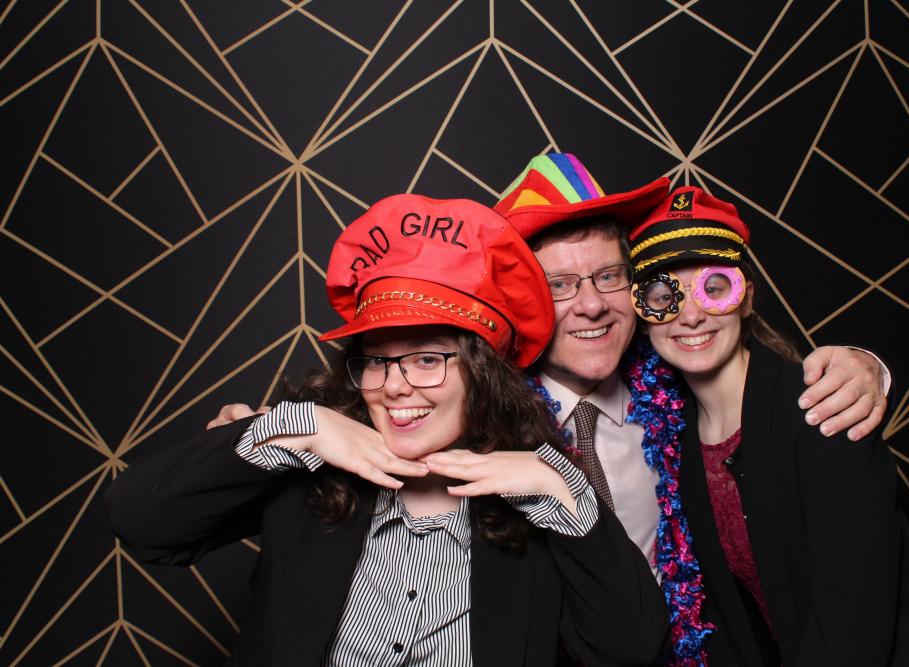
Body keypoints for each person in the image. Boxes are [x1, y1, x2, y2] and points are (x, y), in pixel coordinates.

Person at [107, 194, 668, 666]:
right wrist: (293, 426)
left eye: (426, 359)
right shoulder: (309, 467)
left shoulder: (535, 497)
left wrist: (562, 492)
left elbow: (629, 650)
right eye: (377, 360)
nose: (394, 386)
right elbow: (140, 522)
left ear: (483, 376)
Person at [625, 186, 909, 665]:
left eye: (714, 288)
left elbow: (854, 626)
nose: (690, 316)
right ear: (644, 316)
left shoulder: (824, 406)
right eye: (664, 296)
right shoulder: (675, 439)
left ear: (746, 298)